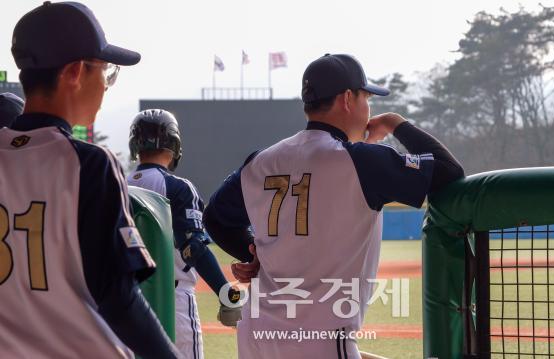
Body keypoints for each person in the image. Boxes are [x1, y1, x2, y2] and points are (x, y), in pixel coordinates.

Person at [203, 53, 465, 359]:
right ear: (347, 99)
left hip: (257, 335)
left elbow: (216, 218)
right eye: (367, 97)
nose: (370, 108)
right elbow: (450, 172)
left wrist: (251, 250)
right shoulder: (360, 161)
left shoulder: (261, 160)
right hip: (322, 339)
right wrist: (395, 123)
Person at [0, 2, 178, 358]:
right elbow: (118, 297)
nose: (107, 84)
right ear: (75, 72)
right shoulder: (87, 164)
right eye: (106, 71)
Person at [127, 109, 243, 359]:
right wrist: (226, 293)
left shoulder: (117, 183)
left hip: (125, 302)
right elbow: (194, 248)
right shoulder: (178, 187)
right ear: (174, 144)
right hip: (171, 300)